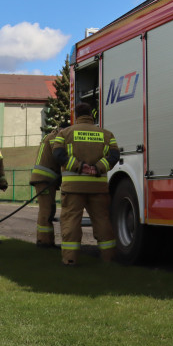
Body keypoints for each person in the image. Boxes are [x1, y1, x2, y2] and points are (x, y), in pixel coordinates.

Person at [51, 102, 120, 266]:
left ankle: (70, 259)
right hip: (98, 187)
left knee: (71, 222)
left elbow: (58, 154)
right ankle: (109, 258)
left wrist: (79, 166)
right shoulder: (107, 134)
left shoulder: (65, 133)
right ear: (92, 115)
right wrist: (97, 168)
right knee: (102, 221)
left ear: (76, 115)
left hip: (73, 188)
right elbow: (114, 155)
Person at [30, 126, 63, 249]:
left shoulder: (50, 136)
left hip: (44, 179)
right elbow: (59, 155)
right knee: (46, 211)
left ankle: (47, 241)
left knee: (49, 209)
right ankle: (44, 242)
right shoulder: (54, 138)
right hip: (44, 179)